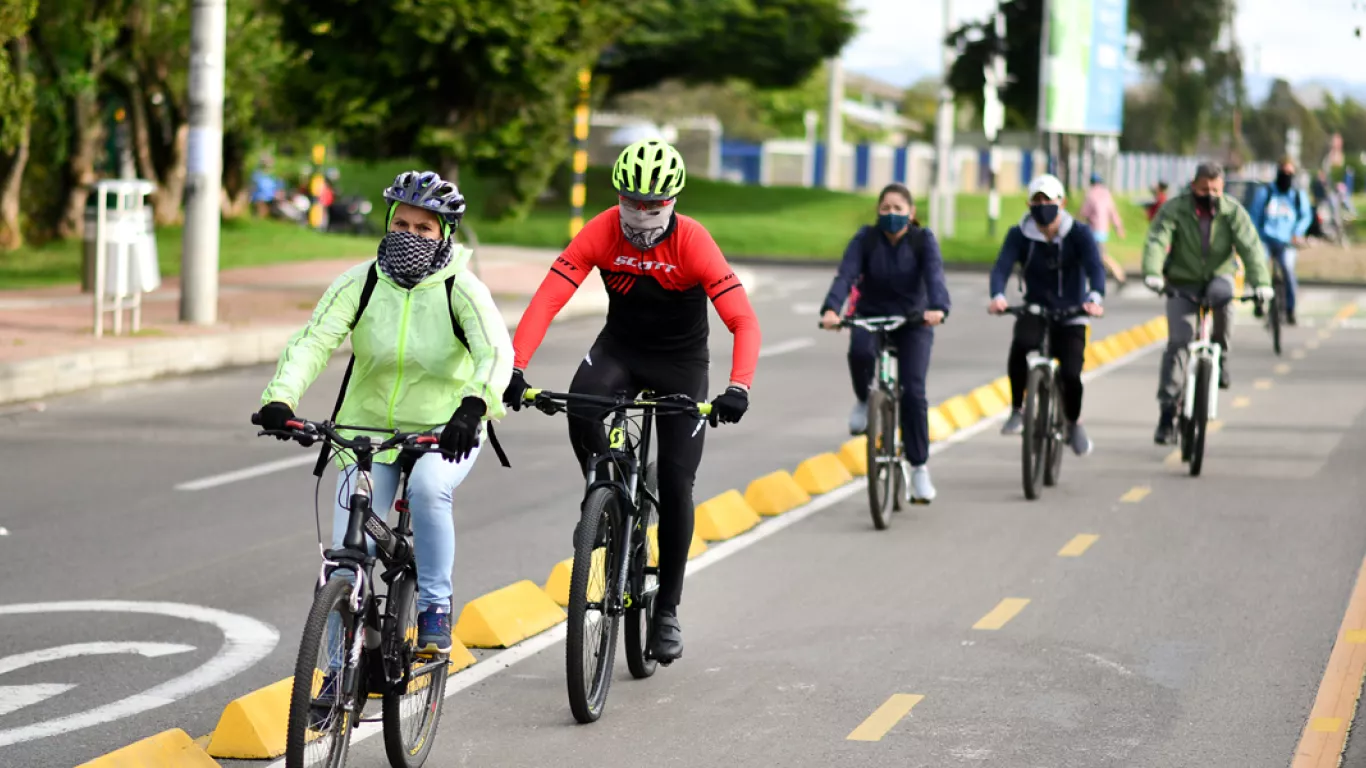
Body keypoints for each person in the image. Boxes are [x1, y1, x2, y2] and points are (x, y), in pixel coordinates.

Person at [502, 139, 760, 664]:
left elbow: (742, 320)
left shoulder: (693, 242)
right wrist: (514, 365)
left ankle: (666, 610)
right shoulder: (601, 230)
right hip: (619, 351)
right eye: (632, 201)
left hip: (681, 365)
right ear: (619, 195)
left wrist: (739, 386)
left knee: (676, 484)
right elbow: (550, 297)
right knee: (581, 403)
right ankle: (602, 494)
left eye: (654, 204)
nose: (641, 214)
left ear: (673, 201)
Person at [256, 170, 513, 655]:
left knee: (428, 487)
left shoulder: (462, 288)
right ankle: (335, 677)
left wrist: (474, 405)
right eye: (403, 225)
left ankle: (434, 603)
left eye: (424, 229)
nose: (410, 237)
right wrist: (280, 398)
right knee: (346, 560)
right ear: (389, 223)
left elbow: (496, 353)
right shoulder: (362, 281)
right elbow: (314, 341)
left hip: (446, 429)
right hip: (366, 429)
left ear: (444, 235)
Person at [819, 182, 951, 503]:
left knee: (914, 391)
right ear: (878, 211)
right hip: (871, 315)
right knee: (860, 351)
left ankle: (919, 468)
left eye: (898, 209)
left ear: (911, 213)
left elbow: (935, 277)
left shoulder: (923, 240)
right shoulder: (866, 239)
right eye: (885, 208)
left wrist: (938, 308)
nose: (891, 214)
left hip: (914, 321)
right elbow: (845, 275)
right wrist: (831, 309)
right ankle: (865, 401)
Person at [1141, 162, 1272, 445]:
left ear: (1222, 188)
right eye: (1204, 189)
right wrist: (1153, 273)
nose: (1209, 194)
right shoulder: (1175, 208)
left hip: (1219, 274)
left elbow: (1250, 246)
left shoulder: (1233, 211)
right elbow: (1157, 238)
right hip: (1182, 280)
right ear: (1193, 186)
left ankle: (1221, 357)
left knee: (1225, 301)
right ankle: (1167, 412)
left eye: (1215, 189)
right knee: (1179, 341)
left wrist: (1260, 282)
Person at [990, 174, 1105, 455]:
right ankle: (1017, 409)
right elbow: (1002, 267)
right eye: (1037, 200)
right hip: (1035, 309)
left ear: (1062, 202)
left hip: (1073, 312)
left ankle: (1073, 423)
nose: (1042, 205)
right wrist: (998, 296)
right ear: (1029, 203)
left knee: (1071, 373)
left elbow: (1095, 269)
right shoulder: (1019, 234)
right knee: (1020, 349)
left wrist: (1095, 298)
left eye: (1048, 199)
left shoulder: (1079, 233)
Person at [1247, 156, 1313, 325]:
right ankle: (1259, 300)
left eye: (1289, 173)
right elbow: (1254, 215)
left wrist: (1298, 232)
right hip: (1266, 238)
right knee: (1259, 264)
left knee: (1288, 269)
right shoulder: (1266, 192)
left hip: (1288, 241)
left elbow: (1305, 216)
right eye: (1283, 172)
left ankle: (1290, 309)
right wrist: (1254, 235)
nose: (1286, 175)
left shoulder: (1297, 195)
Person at [1078, 172, 1128, 286]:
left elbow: (1084, 213)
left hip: (1093, 229)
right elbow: (1113, 212)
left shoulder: (1090, 194)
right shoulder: (1106, 194)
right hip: (1103, 230)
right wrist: (1118, 227)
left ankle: (1119, 275)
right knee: (1095, 254)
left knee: (1101, 255)